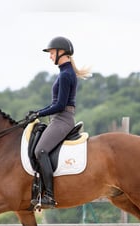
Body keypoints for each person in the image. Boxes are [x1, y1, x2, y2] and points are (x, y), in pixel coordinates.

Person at [26, 36, 91, 208]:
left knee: (40, 151)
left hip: (62, 119)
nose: (49, 56)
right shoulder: (65, 72)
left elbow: (60, 105)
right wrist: (38, 112)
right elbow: (55, 103)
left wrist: (39, 112)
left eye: (51, 53)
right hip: (59, 118)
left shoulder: (66, 74)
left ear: (61, 52)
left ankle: (49, 195)